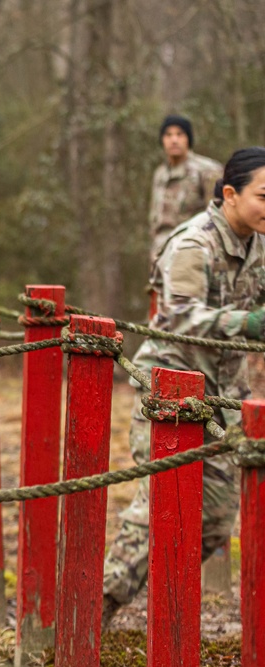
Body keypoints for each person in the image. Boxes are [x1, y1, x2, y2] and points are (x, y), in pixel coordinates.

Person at [103, 146, 265, 627]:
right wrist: (250, 323)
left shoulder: (259, 244)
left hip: (220, 398)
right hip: (169, 392)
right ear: (231, 194)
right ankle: (94, 606)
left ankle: (157, 593)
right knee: (162, 505)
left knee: (215, 517)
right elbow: (180, 318)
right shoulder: (194, 243)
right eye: (264, 194)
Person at [148, 114, 222, 263]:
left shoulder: (207, 170)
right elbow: (155, 220)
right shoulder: (160, 174)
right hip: (161, 254)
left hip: (193, 253)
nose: (174, 140)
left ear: (188, 138)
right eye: (168, 135)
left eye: (179, 134)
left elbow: (218, 218)